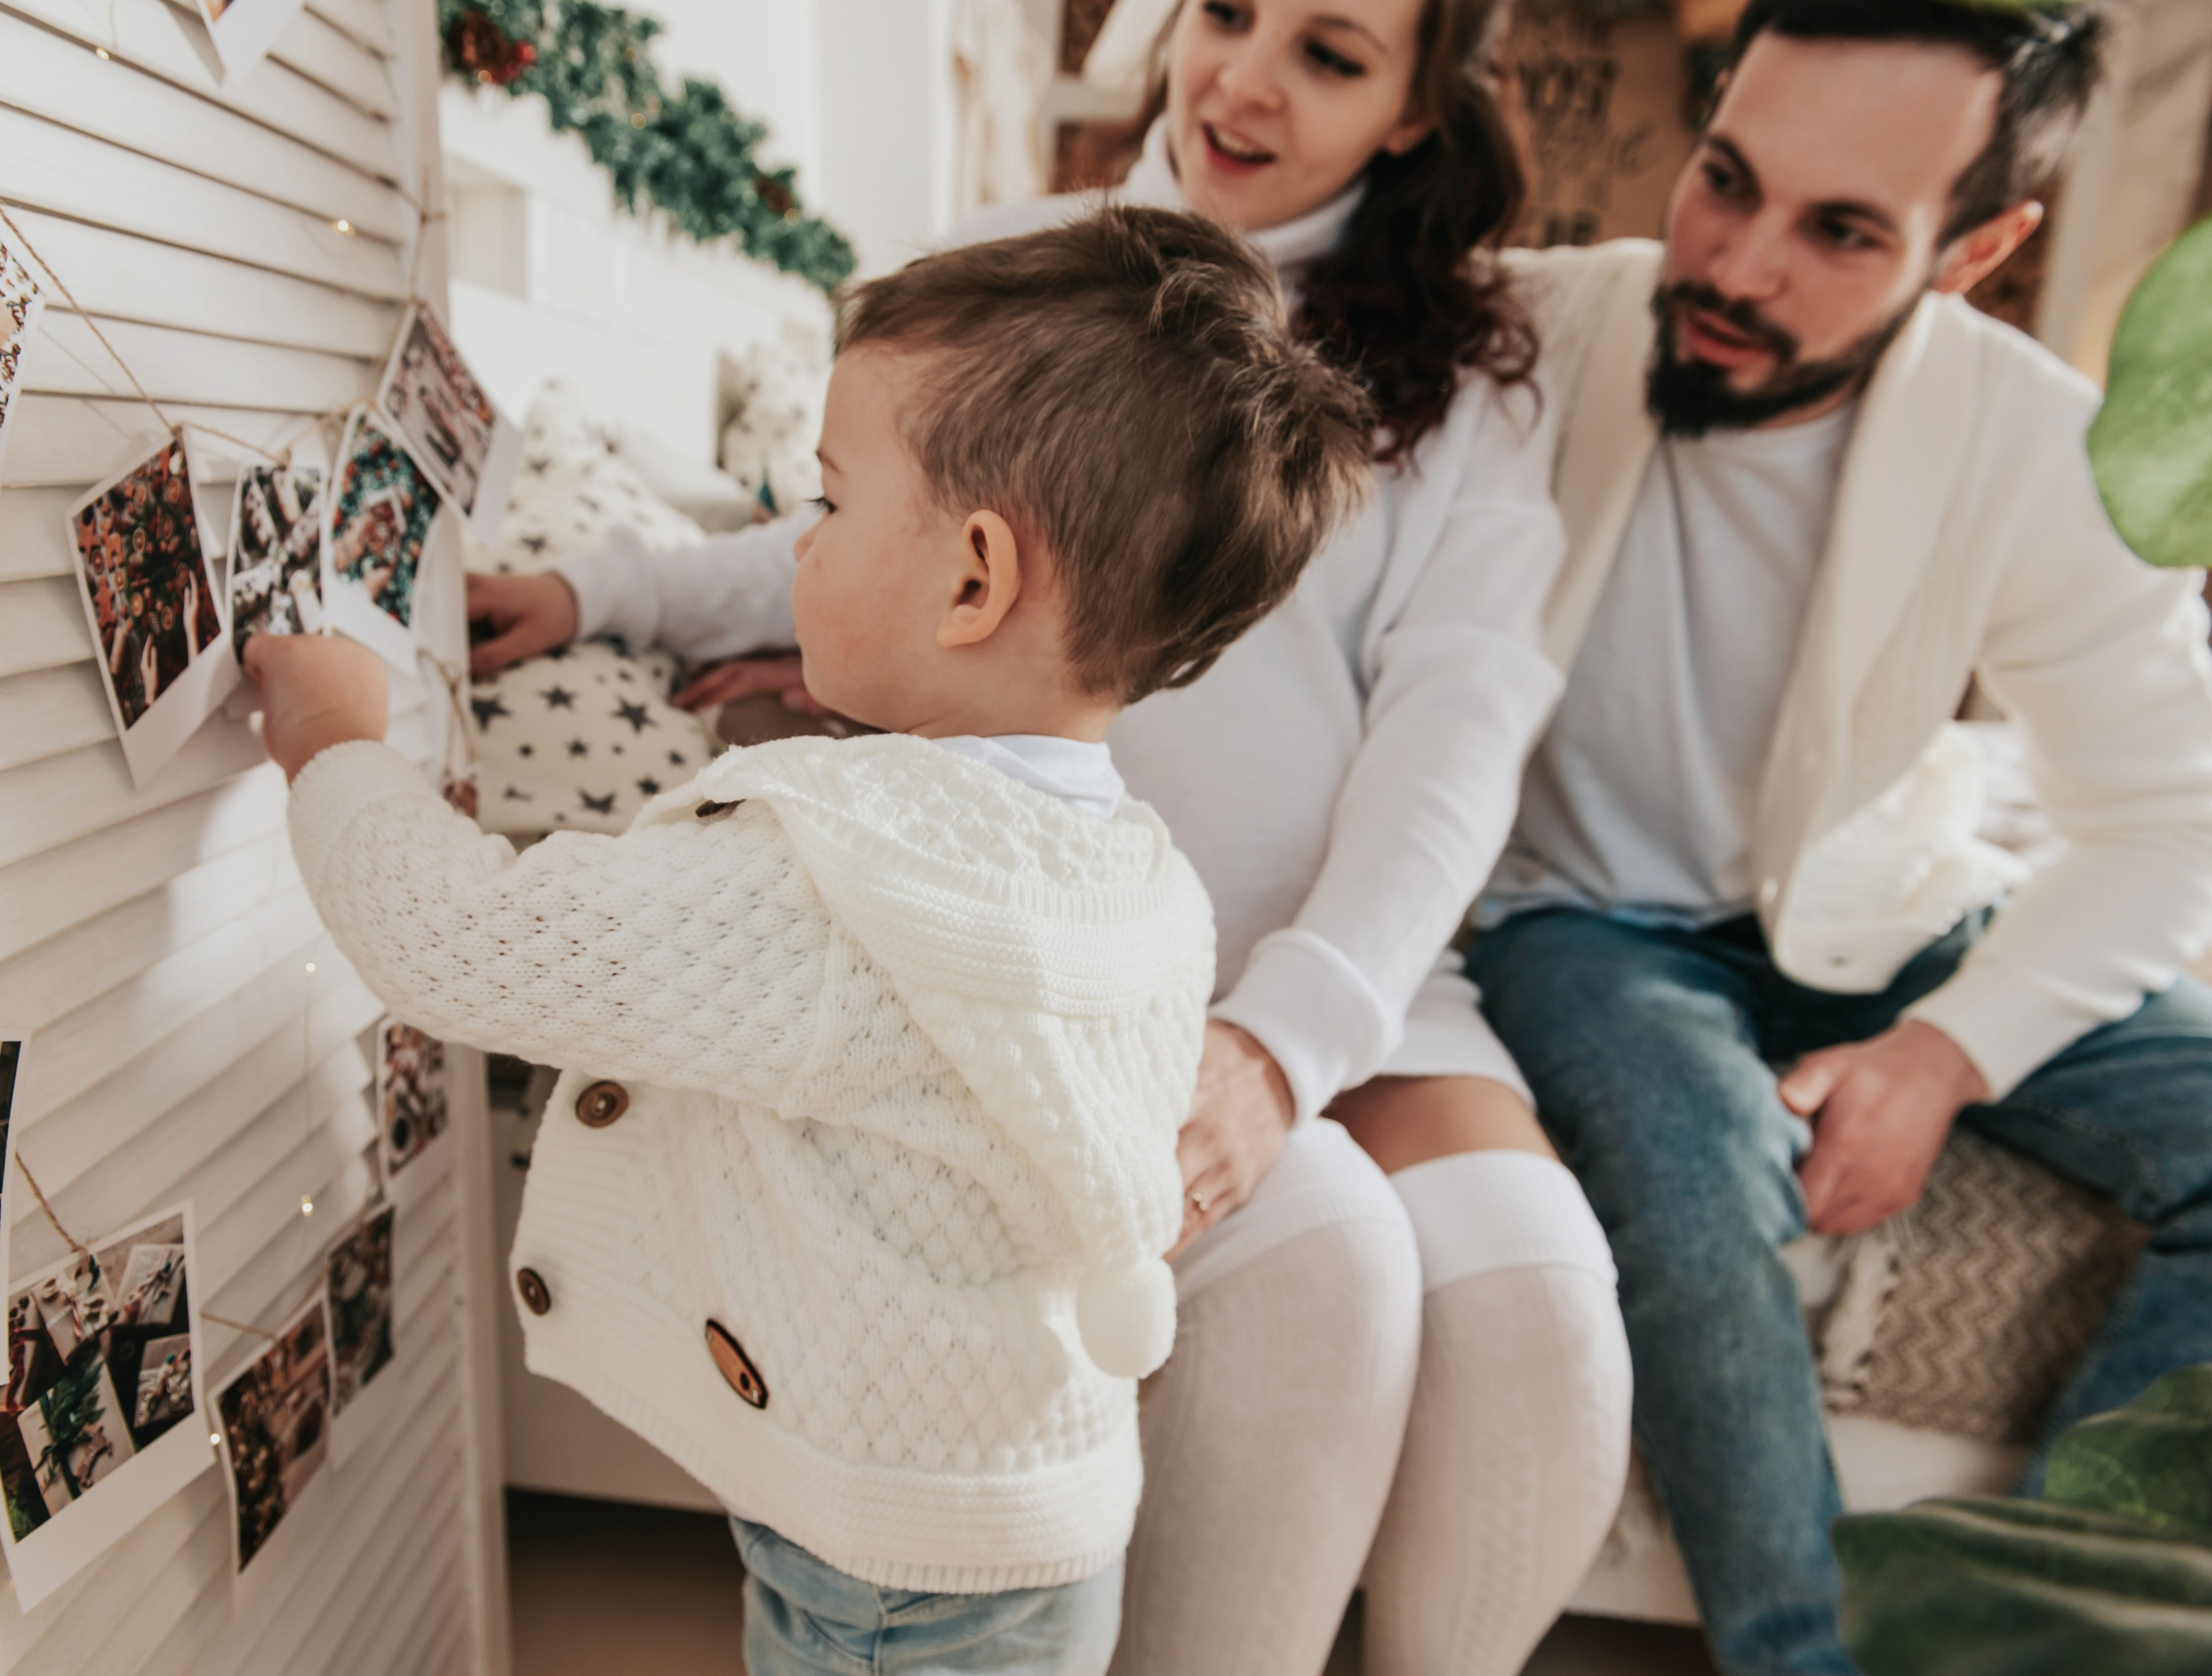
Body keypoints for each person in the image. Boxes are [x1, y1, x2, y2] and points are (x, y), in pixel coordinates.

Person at [467, 3, 1631, 1670]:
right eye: (1228, 10)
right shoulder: (1015, 261)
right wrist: (606, 587)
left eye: (1331, 51)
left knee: (1535, 1307)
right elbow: (844, 525)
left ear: (1412, 113)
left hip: (1340, 957)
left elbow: (1455, 746)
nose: (1244, 77)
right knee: (1339, 1272)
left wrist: (1285, 1041)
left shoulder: (1472, 372)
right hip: (1068, 958)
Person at [246, 207, 1370, 1676]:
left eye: (823, 508)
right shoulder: (1140, 874)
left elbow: (465, 944)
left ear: (972, 582)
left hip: (885, 1576)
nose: (794, 547)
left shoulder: (834, 876)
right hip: (1048, 1524)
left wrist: (336, 744)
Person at [1415, 2, 2212, 1672]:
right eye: (1728, 181)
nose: (1738, 264)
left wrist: (1942, 1057)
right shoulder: (1533, 335)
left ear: (1979, 249)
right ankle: (1803, 1658)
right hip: (1586, 920)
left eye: (1842, 231)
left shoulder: (2040, 445)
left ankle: (2020, 1624)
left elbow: (2164, 817)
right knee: (1697, 1177)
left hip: (1890, 905)